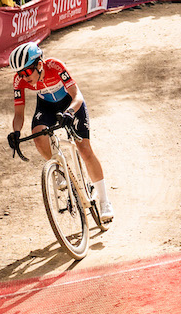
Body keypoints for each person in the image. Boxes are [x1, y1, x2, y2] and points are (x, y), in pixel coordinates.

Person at [6, 41, 114, 222]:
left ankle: (104, 201)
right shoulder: (19, 81)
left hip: (70, 103)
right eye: (20, 73)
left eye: (26, 72)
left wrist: (70, 112)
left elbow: (76, 95)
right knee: (39, 137)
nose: (23, 78)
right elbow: (19, 113)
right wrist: (15, 132)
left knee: (85, 150)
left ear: (39, 65)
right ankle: (61, 170)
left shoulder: (55, 66)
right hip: (47, 106)